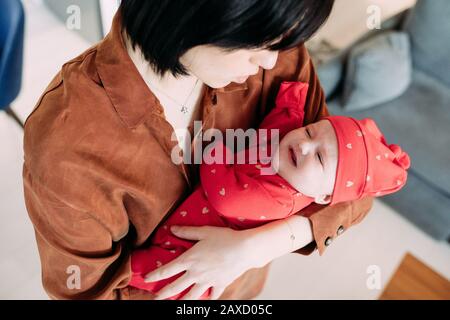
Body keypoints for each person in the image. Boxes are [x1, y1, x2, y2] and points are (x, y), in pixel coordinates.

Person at [22, 0, 374, 300]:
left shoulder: (277, 56)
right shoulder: (67, 146)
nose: (269, 61)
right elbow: (91, 292)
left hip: (246, 286)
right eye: (258, 44)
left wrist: (261, 246)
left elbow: (358, 180)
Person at [128, 81, 411, 299]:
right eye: (311, 132)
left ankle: (121, 270)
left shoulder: (277, 198)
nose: (303, 146)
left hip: (186, 251)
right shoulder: (288, 149)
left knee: (157, 272)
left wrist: (216, 152)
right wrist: (293, 98)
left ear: (324, 197)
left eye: (321, 158)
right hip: (202, 239)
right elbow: (283, 122)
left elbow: (225, 197)